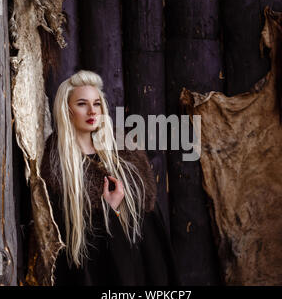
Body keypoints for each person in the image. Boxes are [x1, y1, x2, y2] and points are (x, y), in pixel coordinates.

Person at [41, 70, 179, 285]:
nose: (91, 111)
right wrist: (110, 210)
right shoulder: (58, 166)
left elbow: (150, 230)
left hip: (140, 268)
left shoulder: (127, 155)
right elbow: (67, 239)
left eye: (96, 103)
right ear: (66, 110)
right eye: (81, 104)